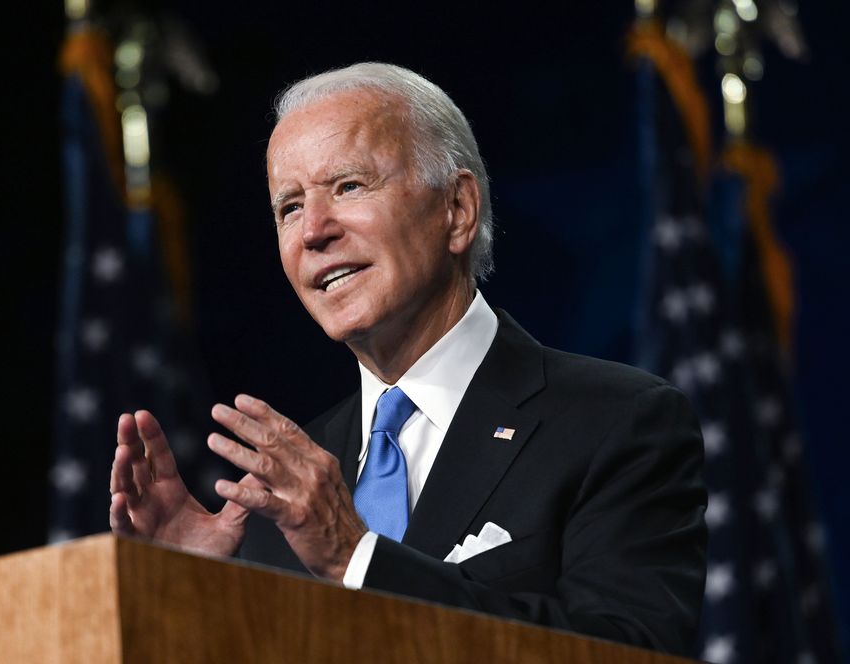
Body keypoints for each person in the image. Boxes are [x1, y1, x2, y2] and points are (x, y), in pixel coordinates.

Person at [109, 62, 707, 656]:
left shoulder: (614, 423)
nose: (313, 230)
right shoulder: (275, 505)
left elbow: (628, 651)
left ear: (457, 210)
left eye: (348, 186)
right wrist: (195, 602)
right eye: (289, 206)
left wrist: (356, 557)